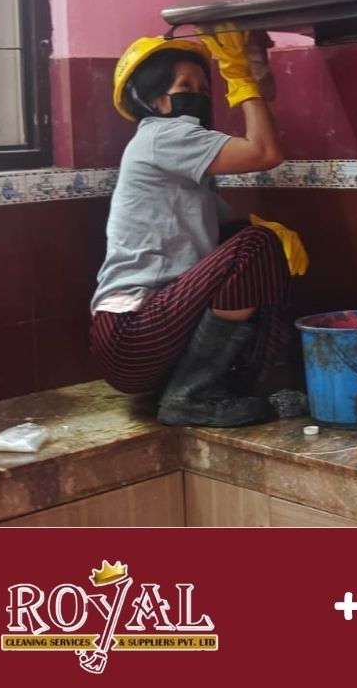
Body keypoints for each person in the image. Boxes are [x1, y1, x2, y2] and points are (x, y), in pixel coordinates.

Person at [90, 28, 306, 427]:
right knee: (256, 244)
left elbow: (214, 239)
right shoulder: (162, 134)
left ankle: (221, 386)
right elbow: (264, 152)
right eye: (185, 87)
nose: (200, 96)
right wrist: (239, 76)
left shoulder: (176, 155)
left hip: (151, 339)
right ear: (153, 98)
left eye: (204, 88)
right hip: (130, 333)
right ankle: (191, 396)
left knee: (258, 246)